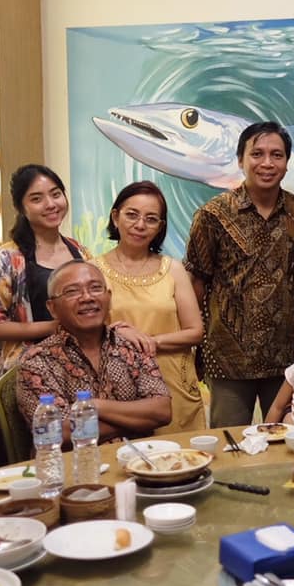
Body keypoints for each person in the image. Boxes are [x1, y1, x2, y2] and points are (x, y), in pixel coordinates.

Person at [184, 121, 294, 426]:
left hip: (287, 358)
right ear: (240, 160)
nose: (267, 163)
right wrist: (196, 344)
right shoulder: (213, 215)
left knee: (287, 439)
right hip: (228, 358)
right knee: (229, 441)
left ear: (287, 162)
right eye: (257, 154)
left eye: (276, 155)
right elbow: (197, 282)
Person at [15, 261, 171, 444]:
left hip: (141, 457)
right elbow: (58, 432)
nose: (87, 297)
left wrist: (95, 406)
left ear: (109, 298)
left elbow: (162, 411)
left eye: (95, 288)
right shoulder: (37, 362)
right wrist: (136, 421)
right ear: (52, 308)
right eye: (72, 292)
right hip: (77, 461)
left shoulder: (131, 345)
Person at [96, 181, 206, 434]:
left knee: (182, 455)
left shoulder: (174, 269)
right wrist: (118, 335)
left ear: (160, 227)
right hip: (120, 386)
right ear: (115, 217)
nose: (140, 225)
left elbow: (195, 332)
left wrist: (149, 342)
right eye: (132, 215)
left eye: (151, 219)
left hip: (174, 383)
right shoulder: (93, 271)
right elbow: (85, 334)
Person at [0, 164, 92, 382]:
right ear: (21, 208)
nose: (51, 204)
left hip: (81, 370)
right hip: (30, 375)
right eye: (37, 199)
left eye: (56, 194)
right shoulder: (6, 258)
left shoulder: (80, 251)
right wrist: (53, 328)